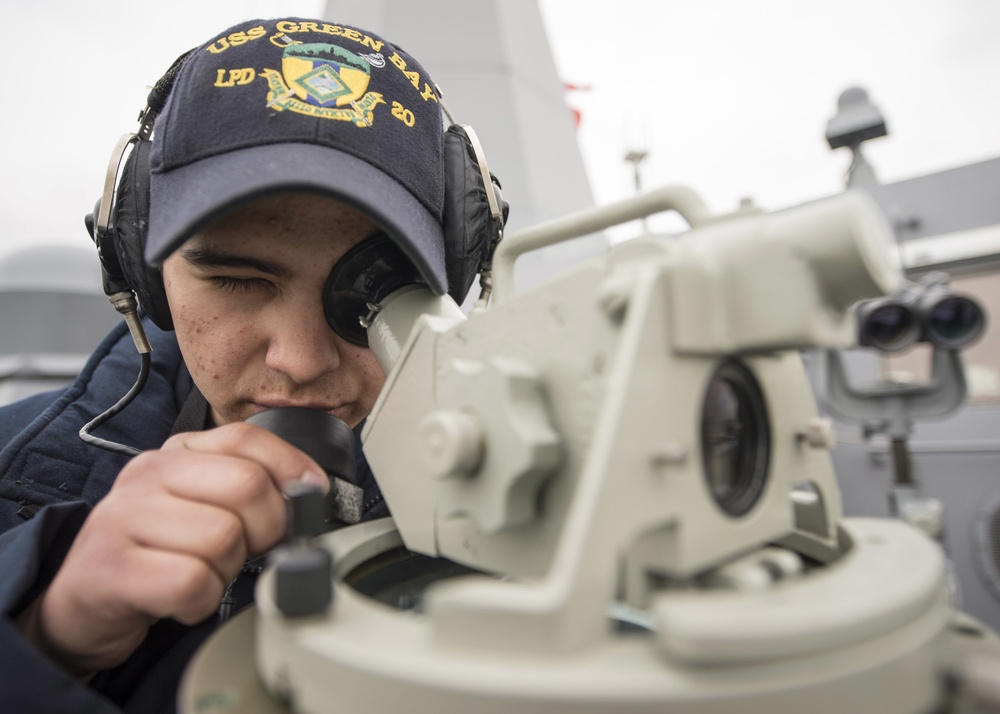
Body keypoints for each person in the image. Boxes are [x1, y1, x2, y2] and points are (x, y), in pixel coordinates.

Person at [0, 16, 500, 713]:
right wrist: (47, 636)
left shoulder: (551, 505)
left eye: (372, 291)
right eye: (236, 279)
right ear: (141, 266)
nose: (298, 362)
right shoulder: (11, 468)